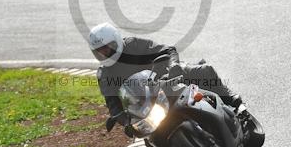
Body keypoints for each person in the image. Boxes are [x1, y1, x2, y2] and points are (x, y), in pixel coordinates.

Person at [88, 23, 244, 133]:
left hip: (167, 80)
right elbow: (112, 103)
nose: (104, 54)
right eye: (99, 51)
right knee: (149, 138)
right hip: (146, 105)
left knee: (203, 71)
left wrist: (174, 66)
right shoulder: (104, 74)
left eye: (107, 49)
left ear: (116, 41)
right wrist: (123, 120)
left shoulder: (133, 45)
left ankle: (234, 102)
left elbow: (168, 50)